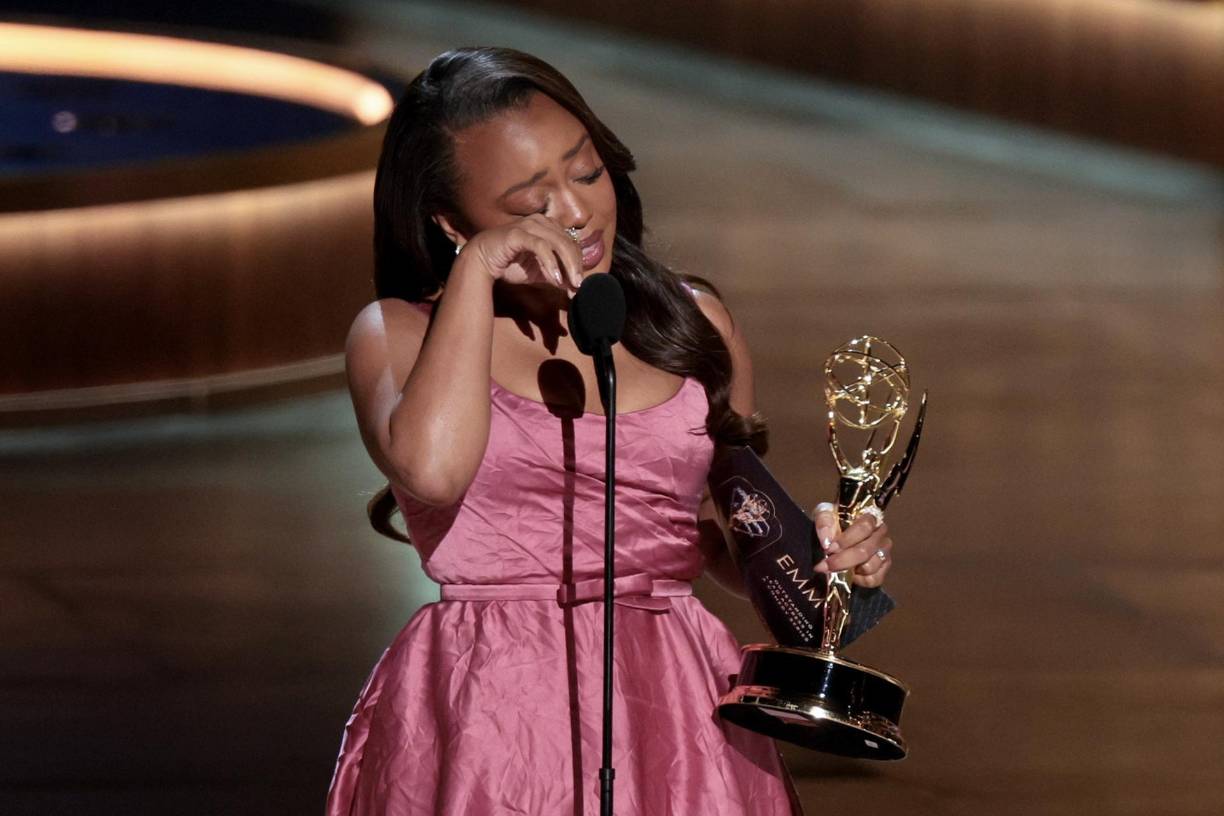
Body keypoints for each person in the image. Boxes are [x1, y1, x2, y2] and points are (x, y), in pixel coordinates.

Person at [326, 47, 896, 815]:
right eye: (531, 203)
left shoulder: (694, 323)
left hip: (674, 704)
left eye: (586, 172)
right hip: (491, 707)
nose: (576, 212)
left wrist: (823, 555)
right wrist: (478, 274)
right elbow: (432, 471)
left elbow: (715, 540)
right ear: (453, 222)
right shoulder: (398, 334)